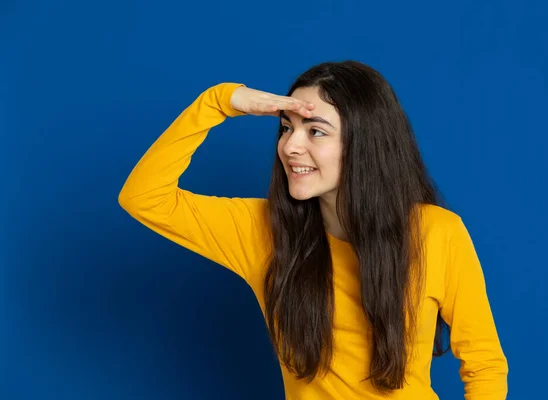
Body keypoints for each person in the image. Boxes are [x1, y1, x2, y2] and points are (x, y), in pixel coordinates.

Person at [118, 60, 508, 399]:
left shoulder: (436, 232)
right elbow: (144, 197)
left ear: (363, 145)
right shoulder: (263, 231)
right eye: (287, 128)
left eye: (315, 131)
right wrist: (219, 101)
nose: (290, 147)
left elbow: (484, 364)